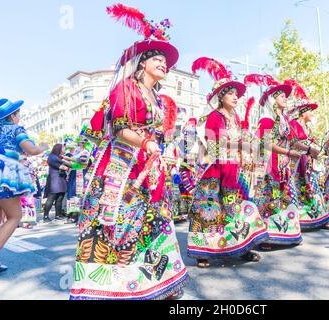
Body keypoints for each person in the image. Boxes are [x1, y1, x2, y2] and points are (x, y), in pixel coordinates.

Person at [69, 4, 188, 300]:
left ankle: (154, 284)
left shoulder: (159, 99)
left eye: (165, 61)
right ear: (142, 62)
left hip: (150, 169)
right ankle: (109, 289)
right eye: (158, 58)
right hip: (122, 169)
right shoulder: (126, 88)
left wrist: (163, 150)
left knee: (153, 220)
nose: (164, 64)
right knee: (117, 224)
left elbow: (157, 134)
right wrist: (147, 143)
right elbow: (121, 128)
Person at [187, 58, 269, 268]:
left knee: (238, 209)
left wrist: (251, 148)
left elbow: (242, 142)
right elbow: (214, 149)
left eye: (236, 94)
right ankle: (203, 252)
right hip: (216, 172)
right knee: (210, 211)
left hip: (234, 170)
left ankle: (241, 247)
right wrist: (238, 146)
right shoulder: (215, 117)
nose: (235, 97)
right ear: (221, 96)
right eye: (231, 93)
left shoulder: (236, 119)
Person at [248, 77, 304, 250]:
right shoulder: (266, 120)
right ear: (273, 100)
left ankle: (285, 233)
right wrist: (287, 152)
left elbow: (294, 141)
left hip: (283, 165)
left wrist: (309, 150)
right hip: (269, 165)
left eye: (285, 96)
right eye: (281, 96)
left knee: (283, 196)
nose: (285, 98)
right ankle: (266, 236)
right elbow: (264, 144)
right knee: (268, 196)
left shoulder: (285, 121)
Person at [0, 98, 48, 273]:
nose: (19, 117)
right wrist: (42, 147)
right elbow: (31, 149)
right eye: (18, 114)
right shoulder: (16, 129)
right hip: (5, 174)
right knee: (14, 216)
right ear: (12, 116)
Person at [289, 100, 329, 230]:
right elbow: (293, 142)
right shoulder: (293, 124)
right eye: (309, 111)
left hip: (307, 161)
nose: (312, 114)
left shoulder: (307, 128)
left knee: (313, 188)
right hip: (296, 162)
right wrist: (308, 149)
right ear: (302, 113)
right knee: (297, 187)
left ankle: (320, 217)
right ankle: (298, 218)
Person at [43, 144, 71, 222]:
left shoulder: (58, 157)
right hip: (55, 180)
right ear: (58, 148)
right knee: (51, 198)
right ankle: (45, 216)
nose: (64, 149)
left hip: (61, 179)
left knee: (60, 198)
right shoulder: (53, 157)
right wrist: (71, 165)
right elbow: (64, 166)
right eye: (63, 148)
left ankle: (58, 215)